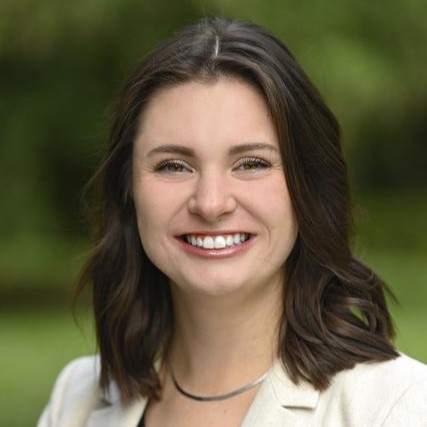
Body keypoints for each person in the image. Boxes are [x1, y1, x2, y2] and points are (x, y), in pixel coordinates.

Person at [38, 17, 427, 427]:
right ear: (129, 188)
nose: (210, 203)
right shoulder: (77, 400)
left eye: (252, 163)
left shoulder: (397, 407)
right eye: (173, 165)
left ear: (307, 186)